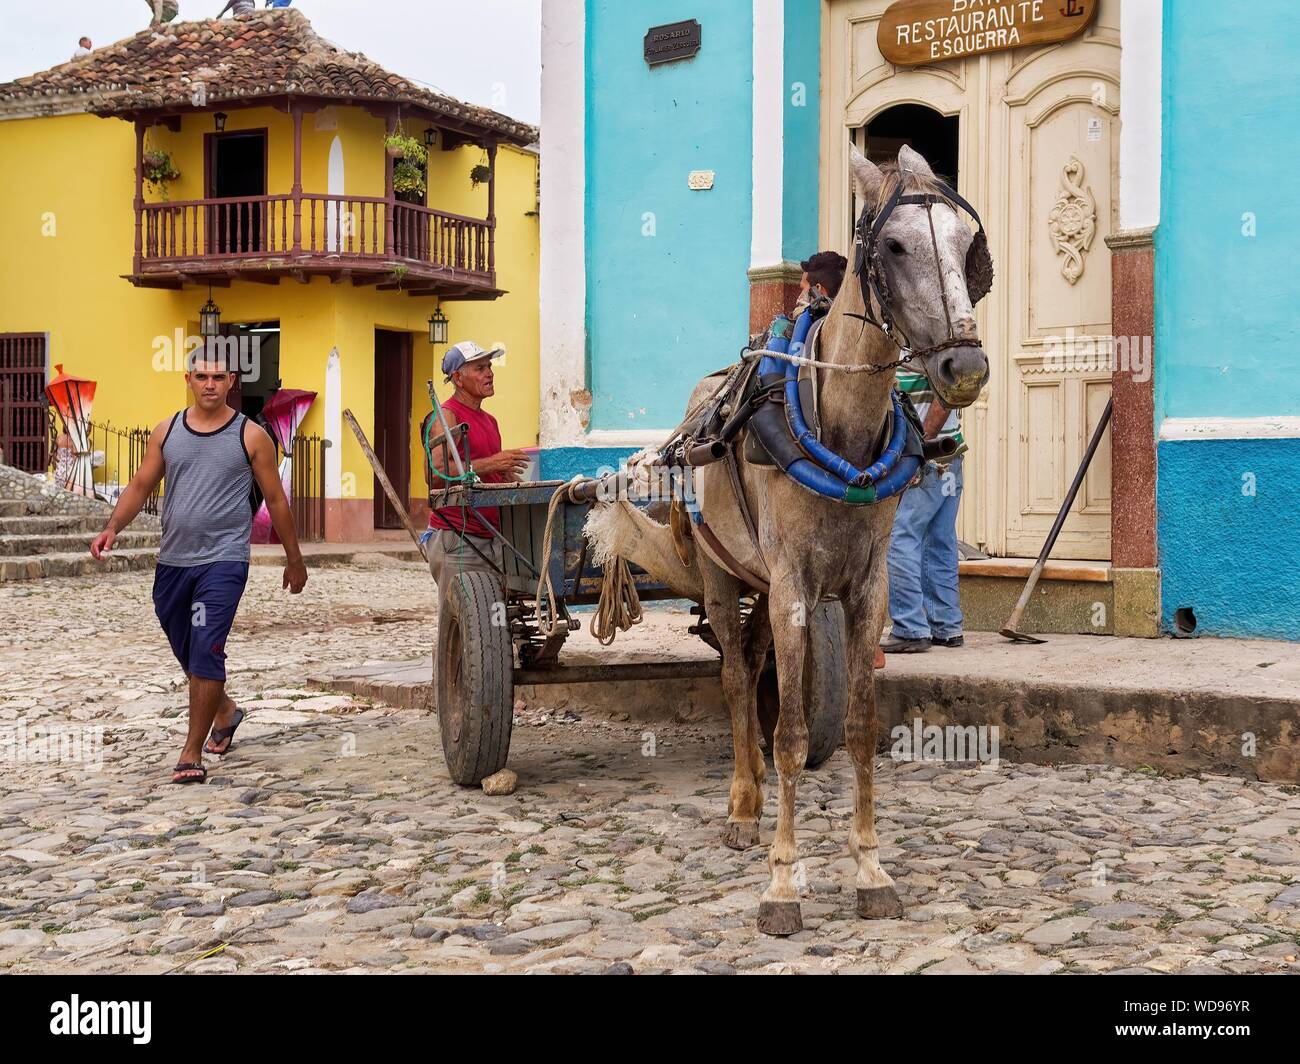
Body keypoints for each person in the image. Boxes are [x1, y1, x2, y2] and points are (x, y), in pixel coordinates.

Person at [90, 348, 308, 783]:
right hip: (173, 560)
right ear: (188, 379)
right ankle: (225, 711)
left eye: (218, 377)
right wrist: (113, 525)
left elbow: (276, 499)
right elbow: (140, 483)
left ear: (232, 382)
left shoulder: (251, 436)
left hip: (224, 560)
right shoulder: (167, 431)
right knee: (187, 646)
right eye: (201, 376)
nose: (209, 384)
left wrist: (294, 558)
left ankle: (191, 753)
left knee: (206, 645)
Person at [420, 341, 529, 607]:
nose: (489, 373)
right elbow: (435, 475)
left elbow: (482, 474)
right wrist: (492, 463)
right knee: (460, 622)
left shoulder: (490, 421)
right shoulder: (446, 418)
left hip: (492, 538)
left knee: (493, 621)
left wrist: (507, 478)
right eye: (480, 368)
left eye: (489, 366)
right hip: (458, 539)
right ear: (457, 378)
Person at [881, 367, 966, 653]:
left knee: (900, 537)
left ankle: (910, 627)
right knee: (939, 540)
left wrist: (916, 452)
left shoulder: (923, 340)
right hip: (950, 454)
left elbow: (945, 396)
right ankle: (947, 626)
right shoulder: (951, 337)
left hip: (928, 457)